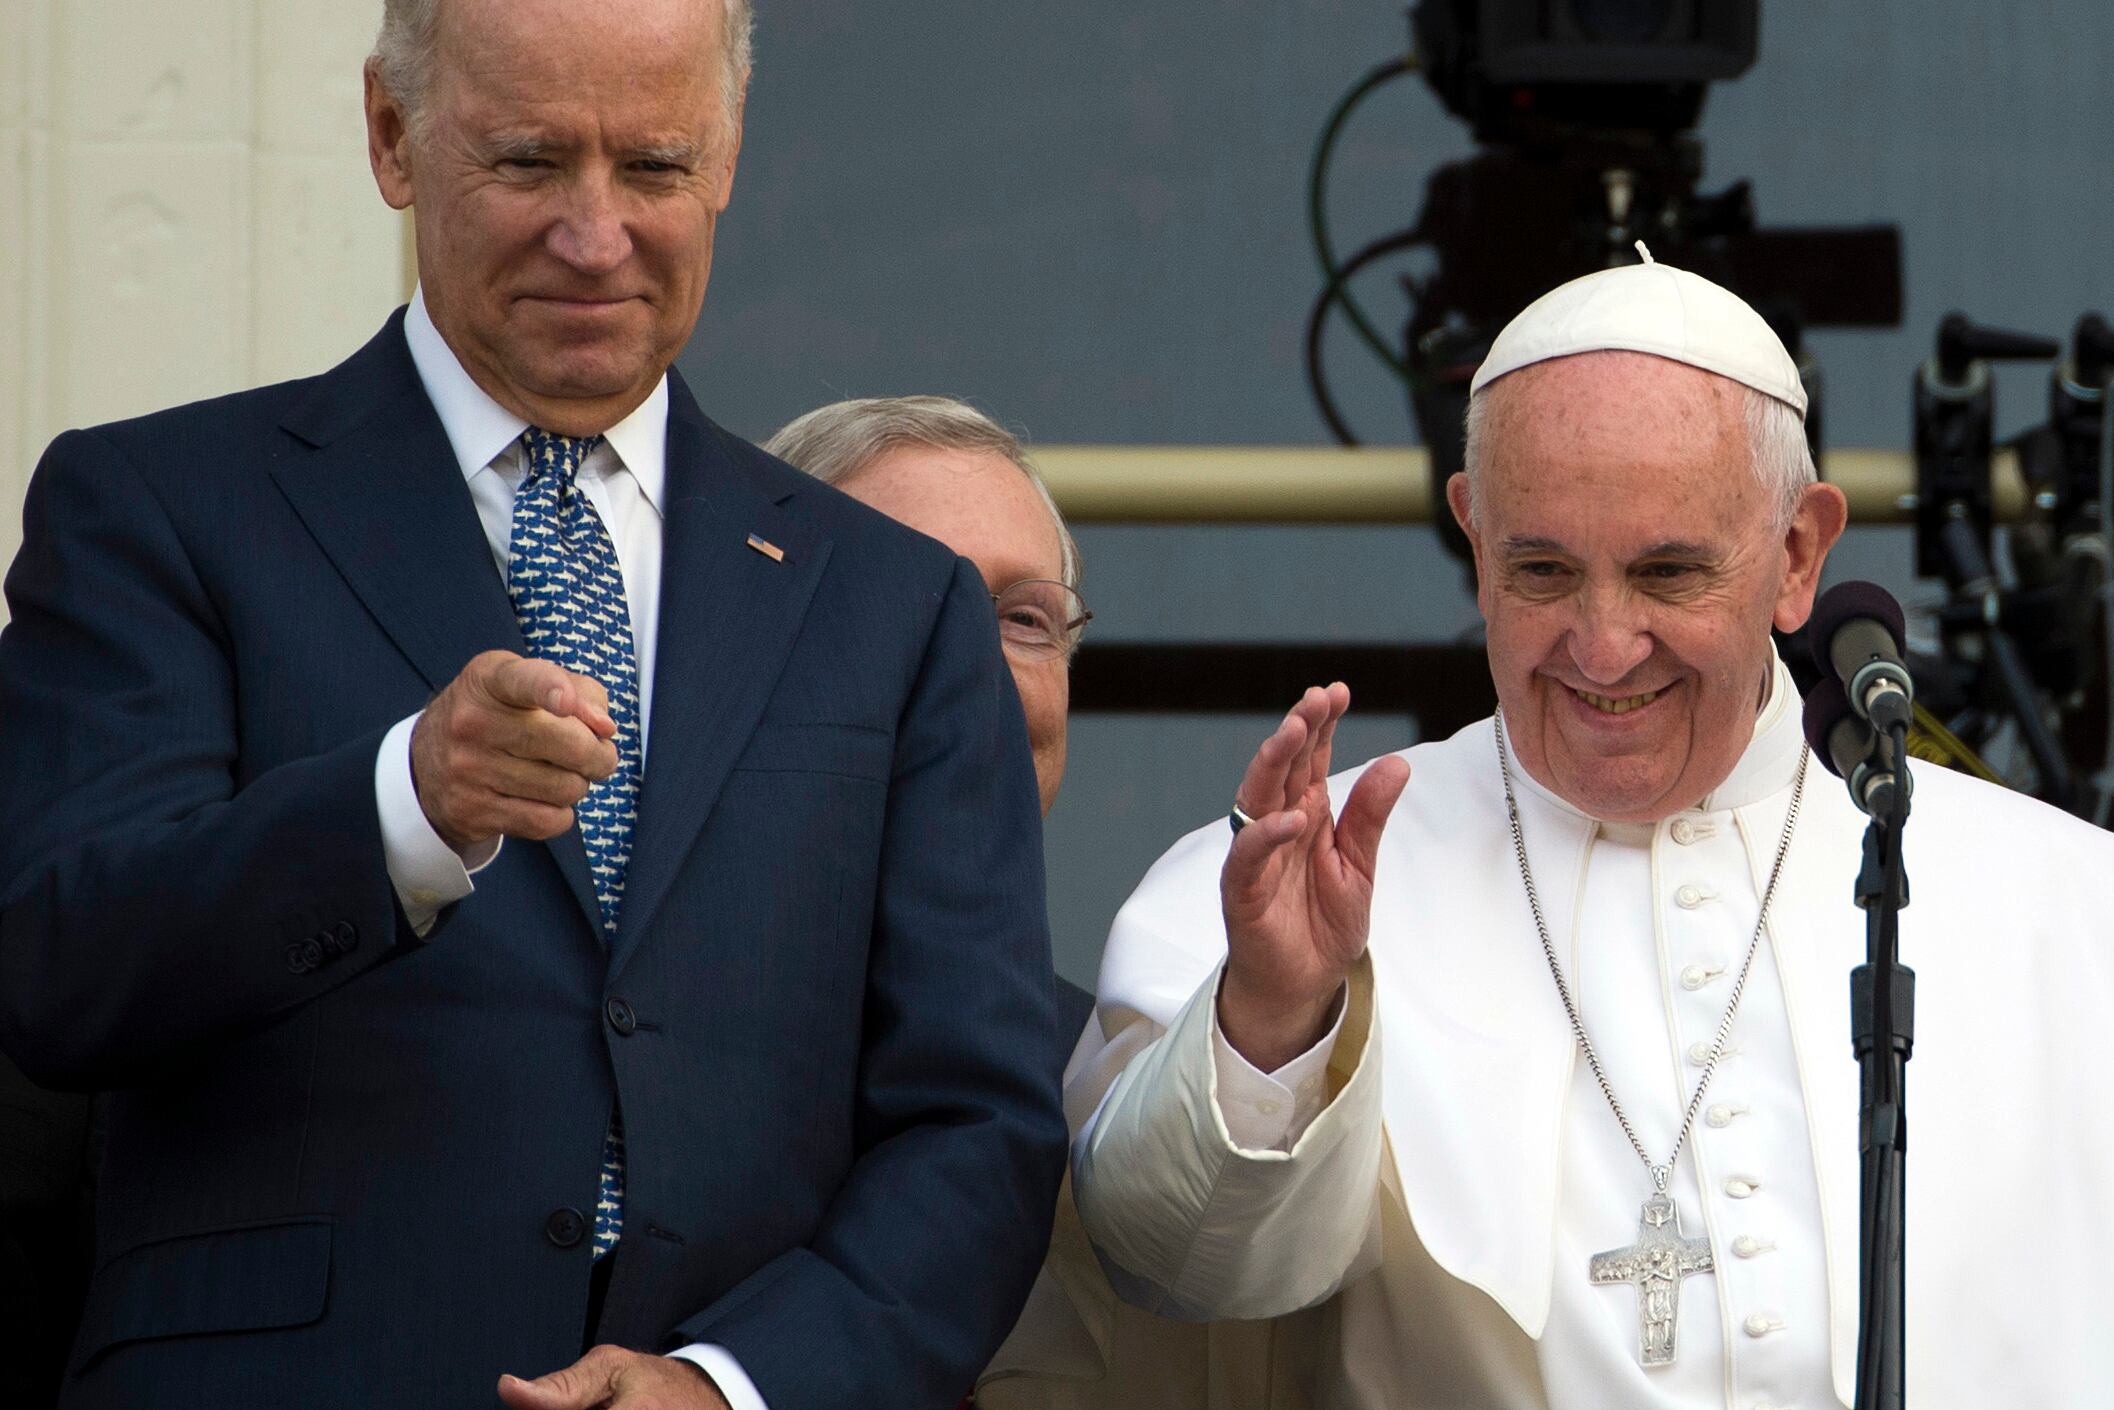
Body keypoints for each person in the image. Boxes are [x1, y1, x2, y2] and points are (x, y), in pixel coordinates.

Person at [0, 2, 1067, 1407]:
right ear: (392, 134)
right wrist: (400, 805)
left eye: (653, 168)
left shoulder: (891, 602)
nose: (594, 232)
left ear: (729, 155)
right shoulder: (160, 510)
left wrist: (734, 1382)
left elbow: (975, 1123)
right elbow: (61, 964)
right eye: (526, 161)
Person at [1060, 255, 2114, 1406]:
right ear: (1472, 537)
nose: (1602, 648)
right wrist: (1274, 1016)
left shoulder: (2065, 905)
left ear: (1797, 555)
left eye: (1666, 573)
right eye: (1543, 571)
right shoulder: (1298, 876)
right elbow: (1176, 1271)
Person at [763, 396, 1095, 1038]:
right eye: (917, 603)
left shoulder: (1110, 1079)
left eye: (1025, 619)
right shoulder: (642, 1025)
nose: (977, 671)